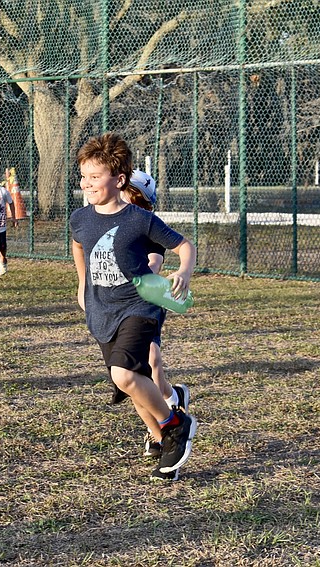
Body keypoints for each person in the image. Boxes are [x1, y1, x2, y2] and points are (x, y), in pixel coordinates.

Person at [70, 132, 197, 480]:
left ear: (119, 180)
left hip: (141, 306)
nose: (86, 184)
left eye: (95, 177)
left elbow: (184, 245)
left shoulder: (139, 220)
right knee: (132, 381)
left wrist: (183, 271)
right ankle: (164, 443)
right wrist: (83, 283)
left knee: (125, 373)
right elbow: (79, 244)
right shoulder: (80, 218)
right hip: (102, 310)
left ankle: (176, 422)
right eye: (83, 176)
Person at [122, 170, 190, 459]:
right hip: (117, 308)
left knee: (152, 366)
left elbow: (154, 263)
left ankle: (170, 405)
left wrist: (135, 275)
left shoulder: (149, 228)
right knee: (135, 377)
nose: (130, 201)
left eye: (139, 199)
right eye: (128, 194)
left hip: (144, 305)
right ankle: (160, 427)